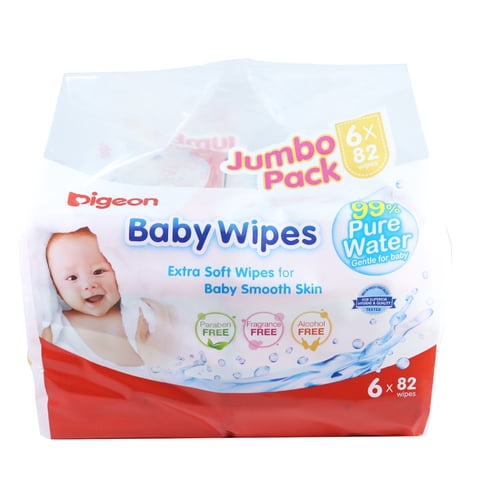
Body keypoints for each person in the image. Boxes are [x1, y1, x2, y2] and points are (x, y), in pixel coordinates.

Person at [42, 227, 175, 369]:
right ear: (55, 288)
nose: (89, 285)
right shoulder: (54, 328)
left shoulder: (144, 315)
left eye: (98, 271)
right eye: (72, 278)